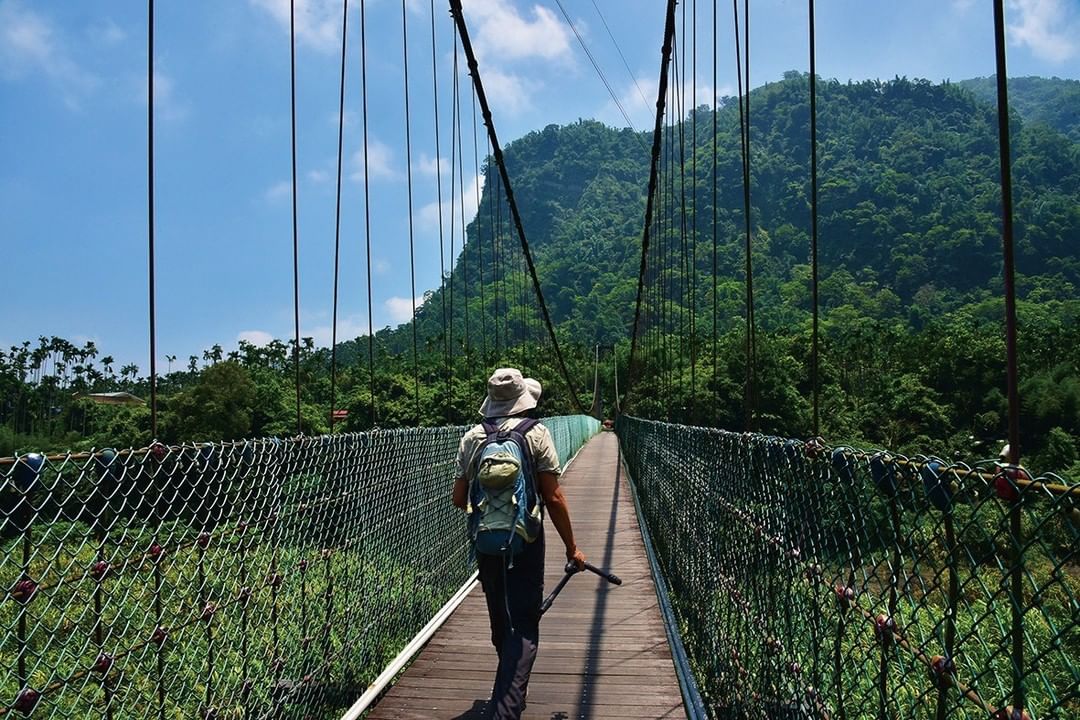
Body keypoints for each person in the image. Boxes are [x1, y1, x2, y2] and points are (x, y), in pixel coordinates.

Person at [453, 368, 586, 720]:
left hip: (486, 542)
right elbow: (553, 497)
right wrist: (573, 548)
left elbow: (458, 498)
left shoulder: (472, 438)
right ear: (522, 400)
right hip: (526, 540)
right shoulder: (536, 433)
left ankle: (507, 689)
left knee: (501, 617)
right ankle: (507, 709)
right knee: (525, 621)